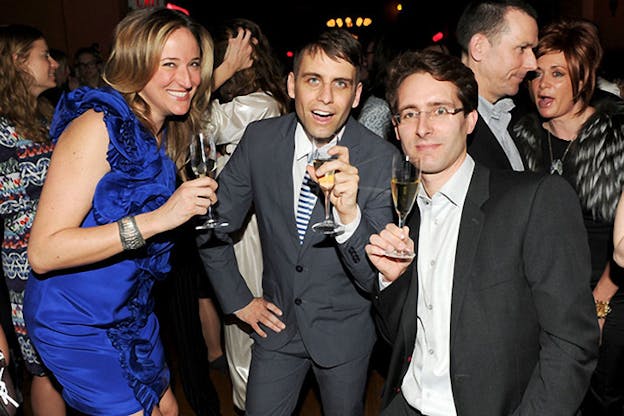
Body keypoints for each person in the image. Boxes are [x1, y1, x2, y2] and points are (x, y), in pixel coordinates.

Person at [366, 49, 599, 415]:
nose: (423, 127)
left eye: (440, 110)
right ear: (396, 128)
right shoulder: (403, 218)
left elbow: (571, 344)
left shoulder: (534, 201)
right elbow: (400, 339)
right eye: (410, 114)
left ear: (471, 120)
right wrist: (391, 283)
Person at [23, 7, 217, 415]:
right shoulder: (99, 127)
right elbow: (43, 253)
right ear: (135, 64)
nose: (187, 79)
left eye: (194, 64)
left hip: (129, 310)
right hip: (76, 320)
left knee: (168, 409)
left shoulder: (163, 125)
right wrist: (160, 220)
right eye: (169, 64)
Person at [197, 28, 398, 415]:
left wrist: (348, 215)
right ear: (291, 85)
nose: (325, 98)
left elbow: (375, 278)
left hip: (345, 337)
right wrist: (239, 301)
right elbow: (212, 224)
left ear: (356, 95)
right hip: (276, 327)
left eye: (340, 84)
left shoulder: (379, 159)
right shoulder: (260, 141)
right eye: (313, 80)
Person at [512, 18, 624, 415]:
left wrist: (598, 305)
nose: (543, 86)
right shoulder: (519, 138)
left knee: (602, 399)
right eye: (537, 74)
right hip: (542, 300)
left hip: (609, 294)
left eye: (558, 74)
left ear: (584, 77)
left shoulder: (616, 134)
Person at [205, 17, 290, 412]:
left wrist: (221, 71)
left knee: (246, 324)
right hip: (236, 227)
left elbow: (197, 121)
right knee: (241, 319)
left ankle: (249, 403)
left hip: (248, 231)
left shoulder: (260, 104)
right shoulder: (247, 101)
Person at [0, 24, 67, 416]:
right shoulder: (3, 128)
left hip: (64, 251)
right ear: (17, 61)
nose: (54, 63)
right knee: (44, 368)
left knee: (60, 364)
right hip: (29, 261)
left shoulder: (42, 115)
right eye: (44, 55)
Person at [456, 0, 538, 171]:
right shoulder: (448, 126)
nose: (533, 64)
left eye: (532, 50)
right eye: (522, 48)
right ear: (479, 47)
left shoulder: (518, 118)